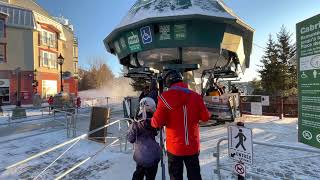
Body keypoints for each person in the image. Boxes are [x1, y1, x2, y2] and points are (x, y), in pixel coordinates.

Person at [151, 70, 210, 180]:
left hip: (174, 148)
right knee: (195, 176)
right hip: (192, 146)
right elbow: (206, 117)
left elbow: (156, 123)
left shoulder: (164, 98)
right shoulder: (196, 96)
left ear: (168, 82)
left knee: (176, 177)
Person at [127, 97, 161, 180]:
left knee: (138, 175)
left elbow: (130, 139)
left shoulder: (136, 123)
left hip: (140, 156)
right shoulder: (156, 121)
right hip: (153, 157)